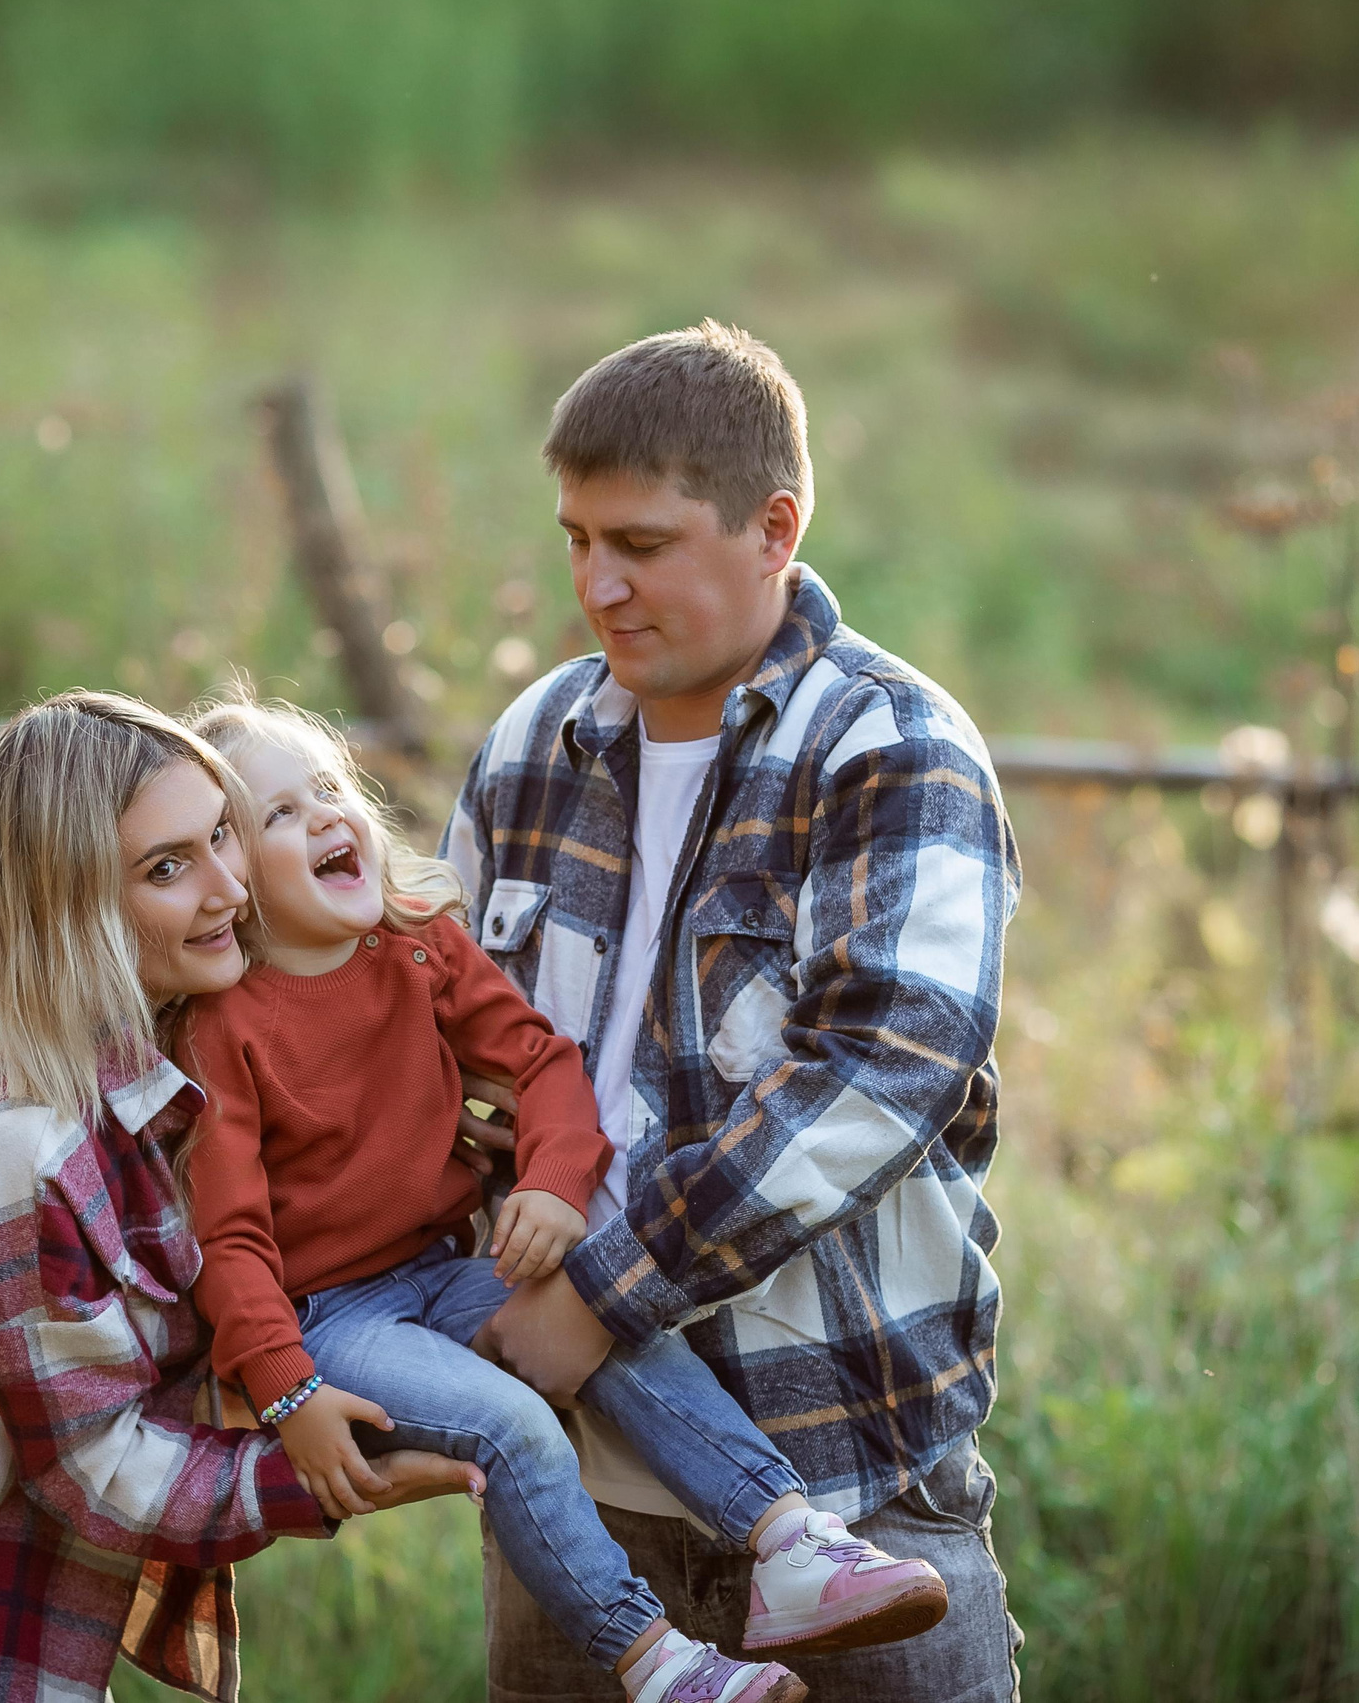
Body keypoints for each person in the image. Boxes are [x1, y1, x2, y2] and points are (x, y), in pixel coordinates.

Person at [443, 322, 1026, 1701]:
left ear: (775, 528)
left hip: (853, 1487)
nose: (598, 584)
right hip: (575, 1503)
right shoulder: (531, 748)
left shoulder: (891, 747)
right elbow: (448, 1052)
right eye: (578, 539)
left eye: (641, 545)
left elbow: (876, 1071)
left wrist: (604, 1293)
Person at [173, 691, 949, 1703]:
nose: (325, 814)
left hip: (442, 1270)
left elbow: (540, 1062)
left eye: (327, 787)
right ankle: (654, 1661)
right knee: (514, 1422)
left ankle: (788, 1540)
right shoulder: (222, 1028)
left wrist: (552, 1181)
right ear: (231, 876)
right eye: (281, 813)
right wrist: (289, 1393)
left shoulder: (418, 946)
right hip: (331, 1319)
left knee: (607, 1316)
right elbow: (227, 1239)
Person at [0, 690, 482, 1703]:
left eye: (222, 834)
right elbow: (94, 1468)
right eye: (167, 868)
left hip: (9, 1621)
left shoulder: (130, 1032)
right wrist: (318, 1475)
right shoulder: (19, 1139)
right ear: (73, 901)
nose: (231, 887)